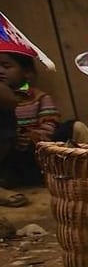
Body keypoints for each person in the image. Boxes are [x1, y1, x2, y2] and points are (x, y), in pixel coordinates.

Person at [0, 51, 59, 187]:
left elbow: (50, 124)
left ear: (27, 72)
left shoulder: (40, 98)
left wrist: (32, 137)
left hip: (33, 149)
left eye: (6, 66)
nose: (0, 71)